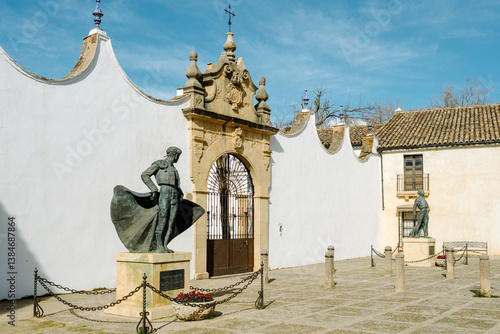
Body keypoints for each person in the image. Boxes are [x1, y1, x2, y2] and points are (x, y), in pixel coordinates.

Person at [141, 146, 183, 253]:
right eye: (178, 156)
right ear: (175, 155)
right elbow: (145, 175)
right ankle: (159, 246)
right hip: (164, 192)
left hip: (174, 195)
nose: (178, 158)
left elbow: (177, 186)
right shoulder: (159, 164)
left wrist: (180, 193)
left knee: (171, 222)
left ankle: (165, 245)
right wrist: (154, 189)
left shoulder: (174, 169)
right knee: (163, 218)